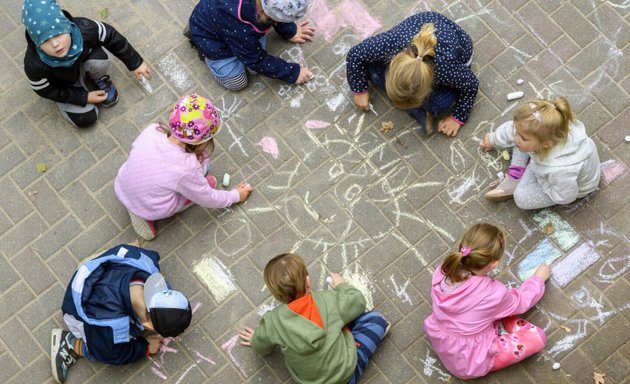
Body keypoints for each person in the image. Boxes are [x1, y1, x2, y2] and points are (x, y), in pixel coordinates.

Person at [115, 94, 253, 240]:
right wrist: (235, 196)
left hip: (123, 183)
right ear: (201, 141)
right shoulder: (186, 168)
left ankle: (137, 205)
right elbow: (207, 198)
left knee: (177, 180)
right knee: (201, 176)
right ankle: (143, 214)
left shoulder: (153, 130)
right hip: (153, 206)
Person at [51, 244, 192, 383]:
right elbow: (113, 353)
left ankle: (92, 262)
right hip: (77, 310)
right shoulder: (110, 324)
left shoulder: (147, 266)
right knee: (101, 351)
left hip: (105, 269)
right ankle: (71, 344)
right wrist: (145, 348)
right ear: (148, 323)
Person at [424, 223, 550, 380]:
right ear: (494, 263)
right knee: (538, 337)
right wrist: (538, 280)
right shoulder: (493, 293)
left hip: (442, 339)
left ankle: (500, 319)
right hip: (470, 362)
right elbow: (522, 302)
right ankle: (504, 323)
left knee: (497, 310)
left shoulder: (444, 268)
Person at [239, 253, 389, 384]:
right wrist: (342, 286)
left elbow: (261, 346)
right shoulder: (328, 300)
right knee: (375, 320)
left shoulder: (273, 322)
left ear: (276, 295)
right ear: (308, 281)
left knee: (340, 318)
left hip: (310, 382)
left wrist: (254, 340)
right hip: (346, 375)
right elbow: (358, 302)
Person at [346, 11, 478, 137]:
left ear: (430, 85)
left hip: (457, 51)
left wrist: (458, 118)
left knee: (440, 103)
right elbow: (355, 54)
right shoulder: (391, 43)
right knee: (369, 64)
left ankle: (417, 110)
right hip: (421, 31)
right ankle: (416, 108)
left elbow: (471, 84)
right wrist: (359, 90)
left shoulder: (445, 70)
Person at [21, 0, 150, 128]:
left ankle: (96, 78)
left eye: (59, 34)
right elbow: (46, 90)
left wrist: (135, 62)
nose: (55, 44)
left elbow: (111, 36)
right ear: (36, 41)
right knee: (87, 118)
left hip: (84, 59)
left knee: (100, 61)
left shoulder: (85, 28)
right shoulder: (34, 65)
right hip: (65, 85)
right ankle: (80, 88)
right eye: (45, 40)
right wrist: (83, 97)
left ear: (66, 25)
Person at [480, 97, 601, 209]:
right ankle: (516, 175)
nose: (516, 136)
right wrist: (492, 139)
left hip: (568, 186)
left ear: (546, 144)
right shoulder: (549, 127)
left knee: (521, 198)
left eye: (522, 137)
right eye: (517, 131)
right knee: (520, 142)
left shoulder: (561, 170)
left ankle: (518, 179)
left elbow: (565, 197)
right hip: (546, 159)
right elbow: (512, 130)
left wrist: (541, 180)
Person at [186, 0, 315, 91]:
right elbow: (256, 60)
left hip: (228, 27)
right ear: (269, 17)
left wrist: (289, 30)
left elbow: (277, 6)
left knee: (253, 65)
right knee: (237, 83)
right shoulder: (243, 26)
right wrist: (292, 73)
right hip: (211, 40)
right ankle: (202, 50)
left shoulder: (263, 9)